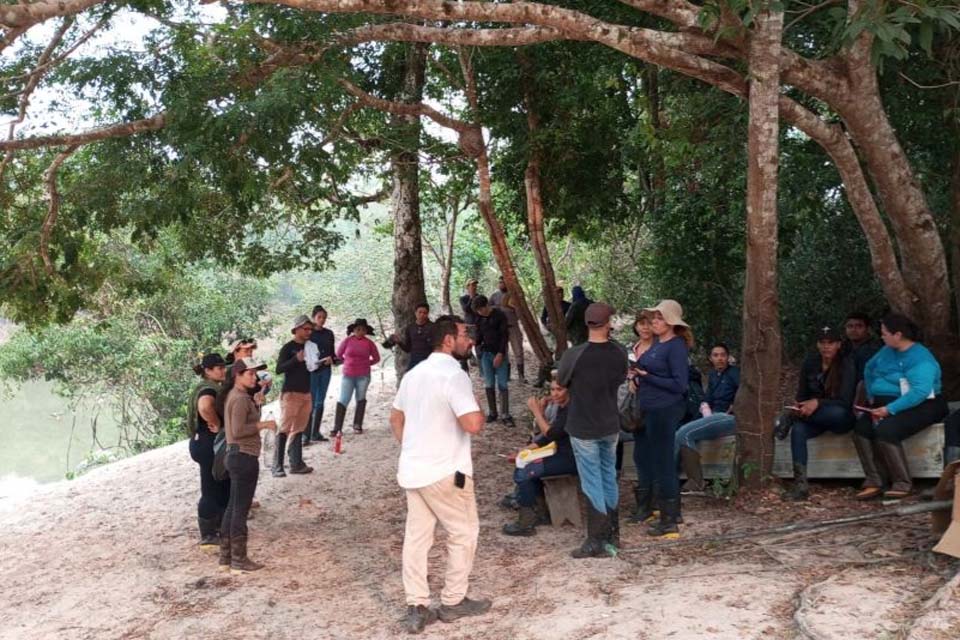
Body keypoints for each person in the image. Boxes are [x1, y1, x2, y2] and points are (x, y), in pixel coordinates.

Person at [390, 315, 491, 634]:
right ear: (448, 340)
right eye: (465, 334)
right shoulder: (454, 374)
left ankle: (416, 604)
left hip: (414, 469)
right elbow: (473, 424)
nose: (470, 339)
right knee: (464, 532)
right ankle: (453, 600)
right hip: (447, 470)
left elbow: (396, 418)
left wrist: (413, 447)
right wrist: (478, 405)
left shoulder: (413, 374)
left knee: (417, 539)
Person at [852, 313, 948, 499]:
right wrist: (872, 396)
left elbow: (920, 392)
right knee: (861, 429)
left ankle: (902, 482)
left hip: (924, 404)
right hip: (885, 403)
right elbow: (869, 368)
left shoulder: (920, 358)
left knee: (886, 430)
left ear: (898, 335)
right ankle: (875, 480)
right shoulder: (887, 350)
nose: (882, 336)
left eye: (885, 333)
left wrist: (889, 409)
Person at [557, 302, 627, 557]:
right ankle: (613, 535)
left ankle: (595, 540)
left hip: (583, 425)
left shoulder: (573, 355)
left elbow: (561, 382)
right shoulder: (619, 351)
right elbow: (621, 379)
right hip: (610, 424)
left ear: (586, 323)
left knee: (591, 481)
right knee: (608, 476)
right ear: (608, 323)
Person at [631, 300, 691, 539]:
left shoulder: (675, 346)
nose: (654, 322)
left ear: (671, 322)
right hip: (650, 408)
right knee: (655, 460)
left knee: (665, 463)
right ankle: (668, 512)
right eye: (653, 318)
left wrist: (648, 376)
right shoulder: (658, 343)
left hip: (666, 409)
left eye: (659, 318)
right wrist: (636, 375)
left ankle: (669, 518)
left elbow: (679, 384)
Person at [775, 326, 856, 501]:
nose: (826, 347)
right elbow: (802, 395)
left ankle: (791, 416)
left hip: (839, 416)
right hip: (814, 417)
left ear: (838, 345)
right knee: (798, 430)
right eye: (822, 343)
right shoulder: (810, 362)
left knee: (838, 413)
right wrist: (801, 406)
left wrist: (818, 402)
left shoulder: (846, 364)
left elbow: (845, 401)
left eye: (831, 343)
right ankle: (801, 484)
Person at [219, 357, 277, 574]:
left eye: (256, 373)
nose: (255, 377)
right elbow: (237, 430)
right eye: (250, 374)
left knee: (233, 506)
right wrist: (263, 424)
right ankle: (239, 560)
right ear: (238, 376)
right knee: (240, 509)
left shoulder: (239, 397)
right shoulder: (240, 398)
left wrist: (257, 405)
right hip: (244, 455)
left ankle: (226, 558)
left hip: (235, 455)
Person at [502, 373, 578, 537]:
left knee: (526, 472)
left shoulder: (571, 409)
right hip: (561, 454)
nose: (555, 394)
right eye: (552, 389)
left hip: (572, 459)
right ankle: (540, 512)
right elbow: (544, 437)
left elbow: (551, 434)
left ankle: (526, 522)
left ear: (569, 390)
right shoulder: (562, 407)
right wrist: (525, 450)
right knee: (524, 464)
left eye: (559, 389)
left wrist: (537, 412)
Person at [674, 343, 740, 495]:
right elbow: (708, 398)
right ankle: (672, 477)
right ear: (711, 358)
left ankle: (696, 483)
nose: (720, 358)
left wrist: (735, 406)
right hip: (713, 417)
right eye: (716, 355)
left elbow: (743, 393)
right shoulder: (712, 375)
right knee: (681, 431)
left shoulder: (734, 373)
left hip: (728, 418)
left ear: (728, 357)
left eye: (723, 355)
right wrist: (704, 408)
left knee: (684, 433)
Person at [187, 352, 230, 550]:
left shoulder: (208, 387)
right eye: (219, 368)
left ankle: (221, 526)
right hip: (207, 443)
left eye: (224, 367)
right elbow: (205, 407)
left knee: (220, 483)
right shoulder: (208, 390)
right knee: (210, 487)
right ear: (208, 371)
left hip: (202, 442)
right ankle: (208, 533)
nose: (223, 371)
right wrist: (217, 423)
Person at [273, 315, 315, 477]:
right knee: (284, 428)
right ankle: (277, 465)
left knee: (299, 428)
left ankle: (296, 463)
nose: (308, 332)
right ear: (296, 329)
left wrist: (322, 362)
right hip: (291, 393)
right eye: (306, 329)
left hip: (306, 392)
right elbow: (279, 369)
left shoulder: (311, 347)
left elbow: (312, 367)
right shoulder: (288, 347)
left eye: (310, 329)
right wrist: (295, 359)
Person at [333, 318, 381, 435]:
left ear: (366, 331)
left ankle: (357, 424)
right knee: (344, 399)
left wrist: (366, 363)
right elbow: (338, 354)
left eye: (363, 330)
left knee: (360, 398)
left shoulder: (369, 343)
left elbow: (377, 358)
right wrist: (347, 361)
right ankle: (337, 427)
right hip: (348, 374)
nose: (360, 332)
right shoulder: (347, 341)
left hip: (363, 375)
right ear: (353, 330)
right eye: (358, 329)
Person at [472, 295, 514, 426]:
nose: (480, 312)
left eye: (481, 309)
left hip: (499, 353)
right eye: (478, 311)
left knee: (502, 384)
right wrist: (474, 343)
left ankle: (505, 414)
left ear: (486, 306)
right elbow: (479, 336)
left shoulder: (499, 315)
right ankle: (492, 412)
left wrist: (501, 353)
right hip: (486, 354)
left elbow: (504, 336)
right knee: (489, 384)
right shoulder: (479, 318)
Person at [304, 305, 335, 445]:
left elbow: (332, 353)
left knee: (320, 401)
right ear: (313, 318)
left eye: (324, 318)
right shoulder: (309, 334)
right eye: (319, 317)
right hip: (311, 371)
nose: (322, 320)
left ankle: (315, 432)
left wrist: (333, 359)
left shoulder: (329, 333)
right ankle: (306, 434)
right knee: (310, 401)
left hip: (325, 369)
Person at [489, 276, 526, 383]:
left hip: (513, 326)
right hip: (500, 329)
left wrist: (511, 307)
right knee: (503, 351)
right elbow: (488, 308)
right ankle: (506, 375)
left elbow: (521, 311)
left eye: (504, 282)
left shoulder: (514, 295)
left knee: (518, 351)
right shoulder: (494, 296)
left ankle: (521, 376)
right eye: (500, 282)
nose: (502, 284)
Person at [388, 302, 434, 372]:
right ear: (415, 313)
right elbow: (408, 349)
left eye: (425, 313)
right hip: (414, 361)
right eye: (420, 312)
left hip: (429, 361)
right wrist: (399, 342)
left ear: (427, 314)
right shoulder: (410, 328)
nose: (422, 315)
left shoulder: (433, 327)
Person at [843, 312, 882, 381]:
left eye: (859, 326)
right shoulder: (844, 349)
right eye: (850, 326)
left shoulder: (872, 350)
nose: (853, 330)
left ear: (868, 329)